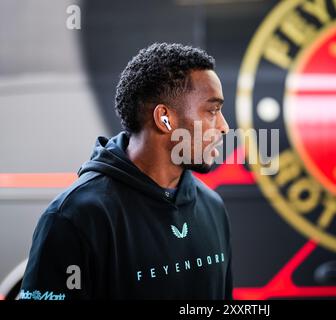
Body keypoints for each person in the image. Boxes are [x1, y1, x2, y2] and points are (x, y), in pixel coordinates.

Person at [20, 43, 232, 299]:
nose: (223, 127)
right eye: (212, 111)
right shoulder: (73, 217)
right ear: (165, 118)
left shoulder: (213, 207)